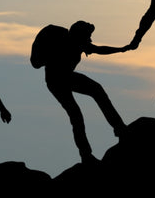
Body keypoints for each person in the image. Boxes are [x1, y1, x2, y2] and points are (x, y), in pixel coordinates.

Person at [37, 21, 127, 163]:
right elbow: (37, 62)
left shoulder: (79, 42)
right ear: (80, 34)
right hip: (56, 81)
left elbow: (99, 49)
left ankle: (119, 128)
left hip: (67, 77)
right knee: (76, 115)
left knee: (96, 91)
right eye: (88, 36)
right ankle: (86, 154)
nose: (90, 39)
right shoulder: (64, 41)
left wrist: (123, 49)